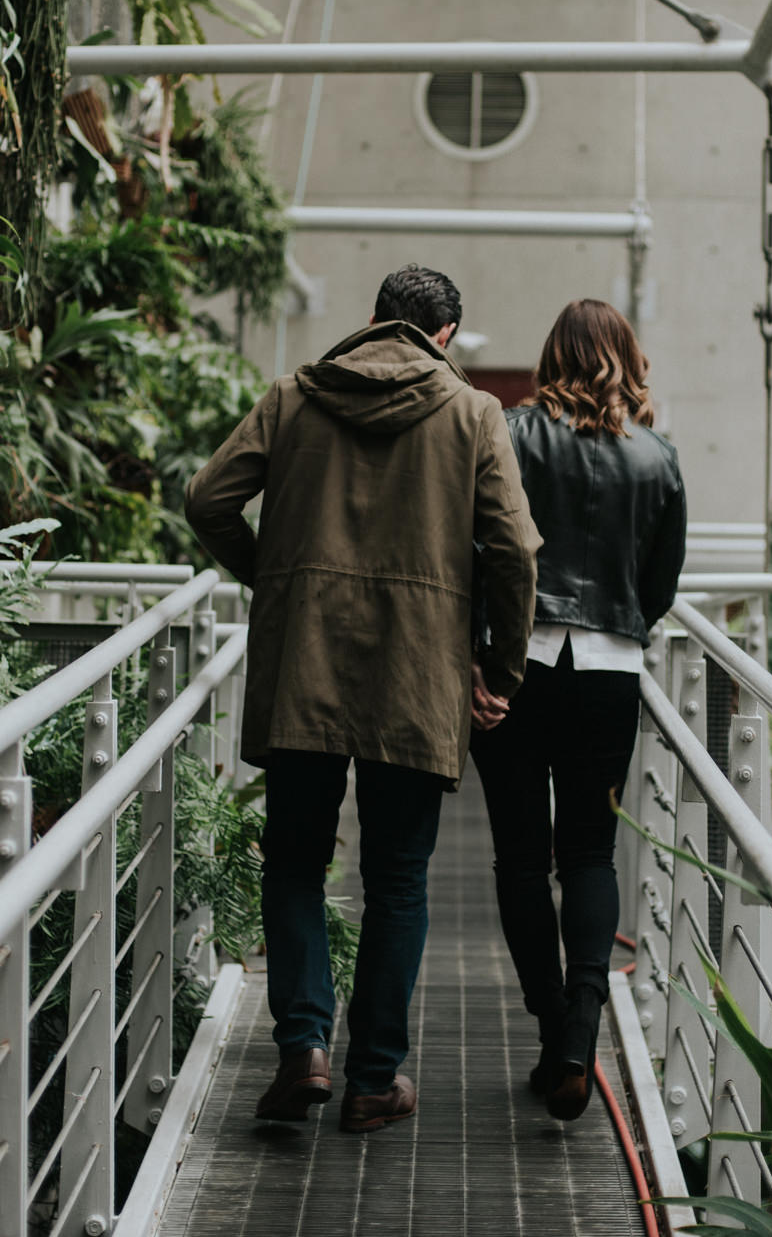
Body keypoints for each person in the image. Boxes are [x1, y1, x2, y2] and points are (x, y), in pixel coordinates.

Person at [185, 265, 540, 1135]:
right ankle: (374, 1078)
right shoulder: (473, 413)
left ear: (374, 318)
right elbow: (515, 551)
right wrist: (499, 668)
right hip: (416, 675)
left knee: (297, 862)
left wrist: (275, 580)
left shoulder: (294, 396)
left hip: (303, 661)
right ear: (444, 336)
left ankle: (304, 1043)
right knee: (397, 879)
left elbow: (208, 500)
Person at [470, 298, 687, 1121]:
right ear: (627, 357)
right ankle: (581, 1030)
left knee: (521, 860)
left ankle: (553, 1029)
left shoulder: (514, 433)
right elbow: (659, 584)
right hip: (609, 671)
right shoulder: (657, 456)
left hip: (519, 665)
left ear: (551, 355)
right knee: (591, 853)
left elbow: (481, 547)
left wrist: (477, 655)